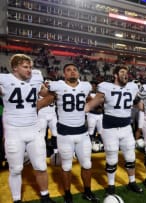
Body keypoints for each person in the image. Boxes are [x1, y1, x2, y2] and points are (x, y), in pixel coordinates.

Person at [39, 64, 99, 203]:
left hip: (82, 132)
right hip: (64, 133)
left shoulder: (85, 86)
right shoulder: (57, 85)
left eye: (75, 69)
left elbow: (89, 99)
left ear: (78, 73)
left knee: (87, 164)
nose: (72, 72)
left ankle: (88, 191)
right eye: (68, 70)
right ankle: (67, 193)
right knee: (66, 166)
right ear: (64, 74)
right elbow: (45, 95)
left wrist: (94, 104)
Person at [0, 54, 55, 203]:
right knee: (16, 169)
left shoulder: (36, 79)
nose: (29, 70)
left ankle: (45, 196)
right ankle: (17, 200)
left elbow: (49, 95)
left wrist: (38, 105)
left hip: (33, 130)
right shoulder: (4, 79)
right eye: (25, 67)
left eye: (30, 67)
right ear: (15, 68)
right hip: (14, 131)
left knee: (41, 166)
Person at [85, 66, 143, 194]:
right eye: (122, 72)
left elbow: (140, 105)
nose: (125, 74)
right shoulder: (105, 86)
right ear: (115, 75)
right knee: (111, 158)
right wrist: (79, 111)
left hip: (126, 128)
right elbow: (93, 103)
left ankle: (132, 182)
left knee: (130, 157)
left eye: (127, 72)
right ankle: (111, 185)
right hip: (110, 129)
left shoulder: (132, 87)